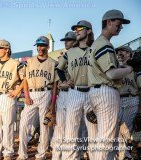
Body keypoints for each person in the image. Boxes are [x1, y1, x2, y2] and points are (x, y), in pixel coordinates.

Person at [87, 9, 132, 159]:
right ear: (109, 22)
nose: (120, 27)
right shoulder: (104, 44)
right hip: (106, 92)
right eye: (118, 23)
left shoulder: (96, 44)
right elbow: (111, 74)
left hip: (97, 91)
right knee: (106, 139)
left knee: (103, 138)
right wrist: (128, 69)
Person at [57, 20, 95, 160]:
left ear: (89, 31)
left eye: (80, 28)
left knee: (93, 131)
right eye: (75, 29)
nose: (77, 31)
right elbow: (59, 68)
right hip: (74, 92)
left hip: (93, 93)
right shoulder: (70, 52)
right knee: (71, 131)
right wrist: (64, 81)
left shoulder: (95, 49)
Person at [17, 36, 59, 160]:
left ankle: (41, 154)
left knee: (45, 126)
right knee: (24, 124)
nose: (40, 48)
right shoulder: (29, 61)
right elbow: (25, 80)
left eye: (43, 45)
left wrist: (52, 103)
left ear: (48, 47)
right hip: (31, 94)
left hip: (46, 93)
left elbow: (55, 85)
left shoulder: (53, 63)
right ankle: (22, 154)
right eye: (38, 45)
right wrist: (26, 95)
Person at [51, 31, 76, 160]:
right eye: (65, 40)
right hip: (63, 94)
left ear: (75, 41)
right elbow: (58, 73)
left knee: (74, 128)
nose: (66, 42)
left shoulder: (80, 55)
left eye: (69, 40)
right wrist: (64, 83)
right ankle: (56, 156)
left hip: (75, 93)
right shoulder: (63, 57)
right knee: (60, 127)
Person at [115, 46, 141, 159]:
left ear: (129, 55)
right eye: (118, 51)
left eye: (124, 51)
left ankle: (125, 154)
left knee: (126, 128)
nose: (120, 53)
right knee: (117, 127)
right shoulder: (114, 69)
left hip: (132, 99)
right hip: (118, 99)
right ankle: (126, 152)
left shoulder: (135, 69)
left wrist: (140, 109)